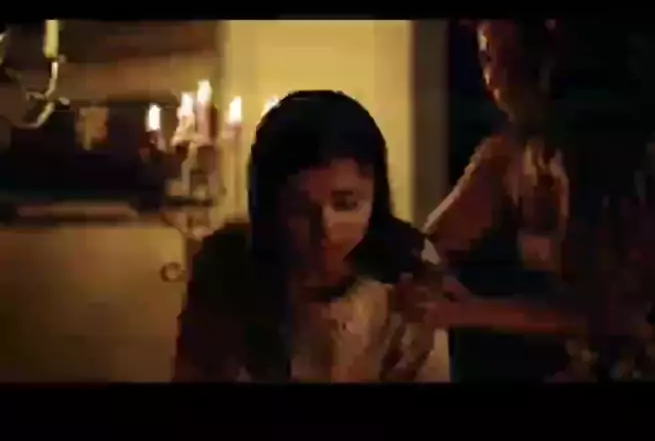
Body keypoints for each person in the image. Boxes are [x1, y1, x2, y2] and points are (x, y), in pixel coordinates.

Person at [422, 20, 655, 381]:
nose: (497, 77)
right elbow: (431, 246)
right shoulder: (506, 155)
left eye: (518, 59)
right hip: (594, 360)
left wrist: (468, 311)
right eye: (488, 58)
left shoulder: (615, 157)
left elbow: (615, 317)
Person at [173, 90, 450, 382]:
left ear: (375, 196)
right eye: (300, 209)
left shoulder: (408, 276)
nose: (326, 229)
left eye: (346, 204)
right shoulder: (226, 266)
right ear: (269, 205)